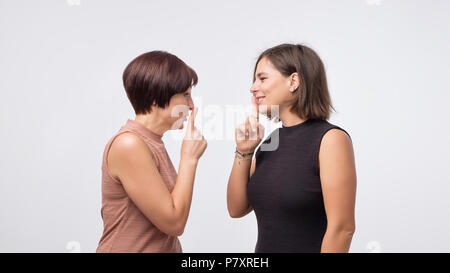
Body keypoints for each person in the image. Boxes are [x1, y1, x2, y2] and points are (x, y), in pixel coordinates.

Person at [227, 44, 357, 253]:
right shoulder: (271, 142)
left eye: (262, 78)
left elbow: (342, 228)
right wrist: (244, 151)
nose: (252, 87)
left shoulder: (330, 140)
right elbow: (236, 208)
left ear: (293, 81)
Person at [97, 51, 207, 253]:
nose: (191, 106)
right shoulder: (129, 144)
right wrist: (189, 159)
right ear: (155, 98)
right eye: (185, 95)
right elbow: (174, 223)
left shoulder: (152, 142)